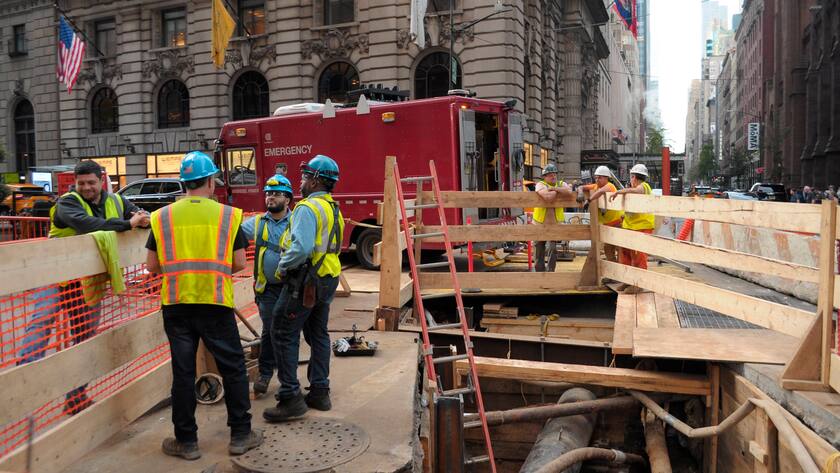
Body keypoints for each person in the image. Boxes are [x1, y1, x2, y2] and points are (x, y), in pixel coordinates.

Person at [145, 151, 262, 460]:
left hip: (177, 304)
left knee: (183, 374)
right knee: (233, 367)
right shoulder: (228, 215)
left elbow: (152, 265)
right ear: (210, 182)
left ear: (184, 183)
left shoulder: (161, 217)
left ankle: (187, 442)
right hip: (215, 302)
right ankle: (240, 435)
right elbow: (238, 262)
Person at [18, 160, 149, 416]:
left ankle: (75, 397)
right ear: (74, 184)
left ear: (101, 181)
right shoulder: (67, 203)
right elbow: (88, 224)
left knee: (84, 339)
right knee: (41, 323)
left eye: (91, 182)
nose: (86, 187)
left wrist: (142, 220)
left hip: (88, 282)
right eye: (81, 183)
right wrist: (128, 225)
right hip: (56, 277)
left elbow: (141, 214)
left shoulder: (117, 201)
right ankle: (24, 386)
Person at [263, 154, 345, 422]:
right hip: (326, 278)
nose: (301, 182)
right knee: (317, 332)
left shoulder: (307, 209)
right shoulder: (332, 207)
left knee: (281, 330)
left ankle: (290, 397)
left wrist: (282, 267)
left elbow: (301, 248)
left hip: (305, 279)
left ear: (316, 180)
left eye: (305, 177)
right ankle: (319, 392)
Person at [240, 174, 294, 397]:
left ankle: (285, 378)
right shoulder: (258, 223)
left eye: (276, 194)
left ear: (287, 199)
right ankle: (265, 373)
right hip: (268, 289)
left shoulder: (296, 221)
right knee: (271, 329)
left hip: (291, 287)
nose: (270, 197)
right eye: (268, 193)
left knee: (286, 332)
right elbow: (232, 232)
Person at [609, 163, 656, 294]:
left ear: (634, 177)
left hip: (642, 227)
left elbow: (638, 190)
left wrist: (620, 191)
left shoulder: (644, 187)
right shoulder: (632, 189)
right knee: (625, 254)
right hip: (630, 227)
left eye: (631, 177)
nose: (631, 180)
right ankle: (628, 281)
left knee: (639, 256)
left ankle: (638, 284)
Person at [531, 164, 574, 273]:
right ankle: (539, 273)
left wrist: (554, 188)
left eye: (554, 174)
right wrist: (559, 191)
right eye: (550, 175)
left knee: (552, 249)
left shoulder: (560, 183)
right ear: (544, 177)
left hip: (554, 224)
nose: (553, 177)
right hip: (539, 223)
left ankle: (550, 273)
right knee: (538, 249)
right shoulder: (540, 184)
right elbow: (548, 197)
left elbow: (569, 192)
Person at [577, 166, 624, 262]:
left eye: (600, 177)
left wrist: (589, 200)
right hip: (607, 225)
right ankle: (613, 275)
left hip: (617, 224)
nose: (597, 180)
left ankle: (619, 274)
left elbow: (601, 191)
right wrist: (580, 193)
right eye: (596, 177)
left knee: (620, 250)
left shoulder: (610, 186)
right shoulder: (595, 186)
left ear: (606, 178)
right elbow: (581, 186)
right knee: (608, 250)